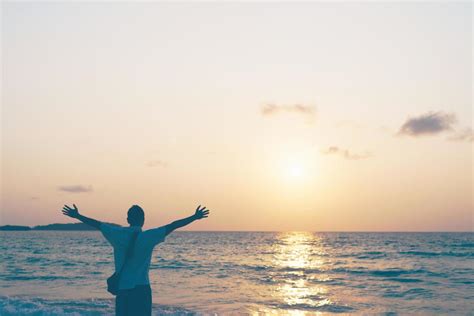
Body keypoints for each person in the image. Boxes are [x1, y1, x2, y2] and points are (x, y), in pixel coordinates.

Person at [61, 203, 210, 316]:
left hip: (124, 289)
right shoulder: (149, 237)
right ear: (143, 220)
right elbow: (173, 225)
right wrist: (194, 217)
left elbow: (97, 224)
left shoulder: (117, 234)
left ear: (127, 219)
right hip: (142, 289)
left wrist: (78, 216)